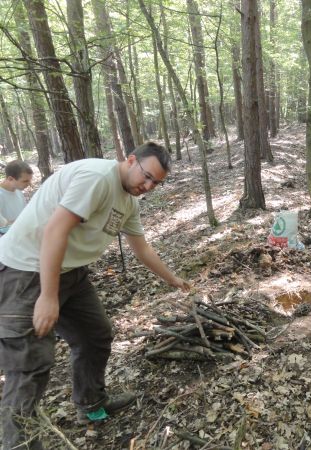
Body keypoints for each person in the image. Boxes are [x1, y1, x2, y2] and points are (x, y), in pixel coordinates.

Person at [0, 142, 191, 449]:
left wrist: (174, 279)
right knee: (29, 366)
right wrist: (48, 296)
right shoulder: (97, 177)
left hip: (71, 273)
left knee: (95, 336)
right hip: (26, 271)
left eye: (157, 182)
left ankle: (91, 404)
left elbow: (141, 247)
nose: (149, 186)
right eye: (147, 176)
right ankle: (19, 444)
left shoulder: (129, 200)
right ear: (130, 160)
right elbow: (55, 231)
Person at [0, 160, 33, 232]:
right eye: (25, 181)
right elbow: (4, 226)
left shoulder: (18, 191)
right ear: (10, 179)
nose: (29, 184)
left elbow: (24, 215)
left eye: (30, 180)